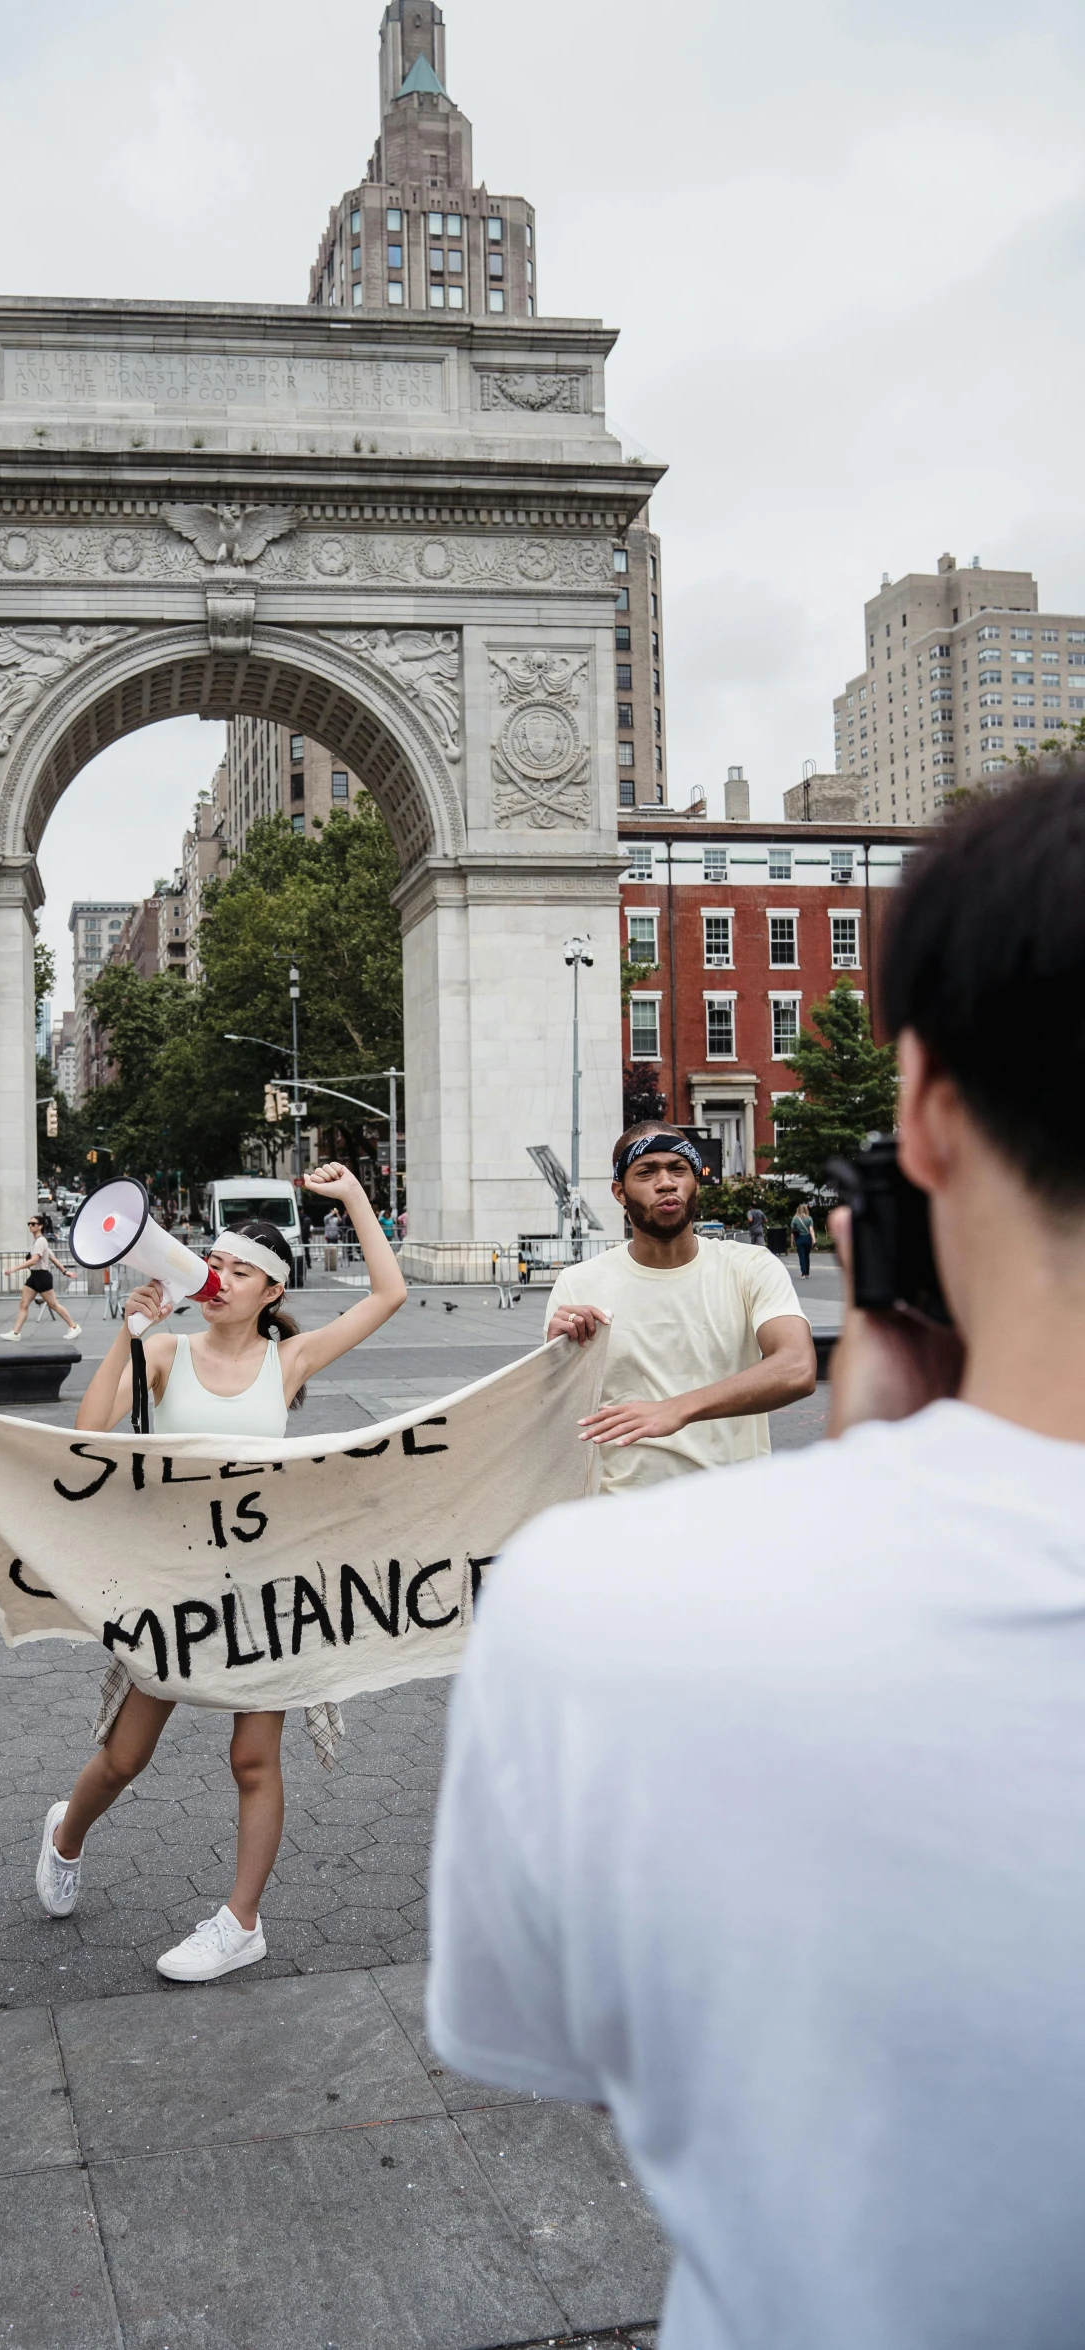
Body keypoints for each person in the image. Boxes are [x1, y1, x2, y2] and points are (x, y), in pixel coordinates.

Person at [428, 767, 1085, 2347]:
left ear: (919, 1109)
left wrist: (878, 1477)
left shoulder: (590, 1630)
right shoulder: (592, 1304)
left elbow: (542, 2037)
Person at [35, 1162, 407, 1982]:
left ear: (272, 1291)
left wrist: (350, 1199)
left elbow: (388, 1296)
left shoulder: (292, 1361)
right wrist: (124, 1337)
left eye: (240, 1271)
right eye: (216, 1264)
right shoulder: (165, 1350)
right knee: (126, 1757)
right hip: (175, 1584)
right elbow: (88, 1431)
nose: (218, 1278)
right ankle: (65, 1836)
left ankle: (241, 1923)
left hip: (262, 1590)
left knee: (252, 1761)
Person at [543, 1126, 815, 1491]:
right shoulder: (578, 1284)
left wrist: (678, 1408)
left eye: (678, 1169)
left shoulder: (750, 1266)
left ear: (695, 1184)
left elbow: (797, 1368)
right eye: (646, 1171)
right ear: (619, 1192)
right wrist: (556, 1358)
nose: (666, 1182)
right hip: (623, 1517)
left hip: (734, 1510)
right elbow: (555, 1414)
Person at [1, 1214, 82, 1342]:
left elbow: (34, 1260)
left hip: (42, 1276)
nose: (31, 1226)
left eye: (33, 1224)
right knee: (23, 1304)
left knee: (54, 1305)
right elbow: (53, 1258)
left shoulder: (40, 1241)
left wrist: (14, 1269)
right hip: (34, 1276)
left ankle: (74, 1326)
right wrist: (65, 1271)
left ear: (40, 1226)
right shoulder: (38, 1242)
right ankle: (15, 1333)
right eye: (29, 1224)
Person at [790, 1201, 815, 1277]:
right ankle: (807, 1272)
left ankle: (803, 1273)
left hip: (799, 1238)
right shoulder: (809, 1218)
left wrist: (792, 1242)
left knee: (801, 1256)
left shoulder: (794, 1219)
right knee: (807, 1255)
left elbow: (792, 1232)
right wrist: (814, 1240)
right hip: (807, 1238)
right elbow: (811, 1230)